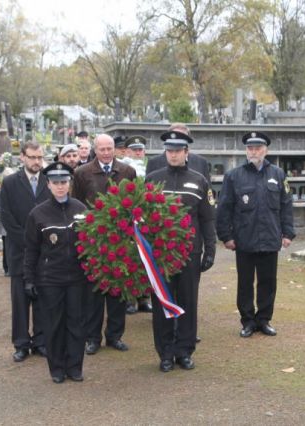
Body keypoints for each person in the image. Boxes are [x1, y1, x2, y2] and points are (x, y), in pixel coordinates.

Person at [145, 131, 216, 372]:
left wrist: (210, 250)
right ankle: (165, 353)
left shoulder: (199, 180)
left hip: (189, 251)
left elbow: (207, 218)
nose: (173, 154)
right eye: (169, 150)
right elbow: (142, 215)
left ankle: (184, 351)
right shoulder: (152, 179)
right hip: (160, 253)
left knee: (188, 301)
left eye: (178, 150)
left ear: (186, 152)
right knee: (162, 302)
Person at [216, 131, 295, 338]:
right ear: (246, 150)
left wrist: (288, 233)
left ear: (265, 150)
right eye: (250, 148)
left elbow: (286, 205)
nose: (253, 151)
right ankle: (248, 321)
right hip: (244, 239)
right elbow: (224, 208)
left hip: (270, 238)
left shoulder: (278, 174)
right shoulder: (233, 176)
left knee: (268, 282)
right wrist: (226, 236)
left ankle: (264, 319)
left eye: (257, 148)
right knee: (245, 283)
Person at [24, 162, 88, 383]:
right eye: (56, 183)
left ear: (69, 183)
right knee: (54, 324)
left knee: (76, 323)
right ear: (48, 185)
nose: (60, 187)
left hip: (77, 278)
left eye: (64, 182)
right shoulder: (38, 214)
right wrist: (29, 279)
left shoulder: (81, 209)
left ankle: (75, 367)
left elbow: (90, 243)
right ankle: (57, 368)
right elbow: (31, 250)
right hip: (50, 279)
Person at [73, 133, 136, 355]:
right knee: (93, 292)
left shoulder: (127, 171)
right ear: (95, 150)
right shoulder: (81, 173)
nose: (107, 153)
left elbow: (133, 201)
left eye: (110, 148)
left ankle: (115, 336)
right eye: (102, 149)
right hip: (93, 240)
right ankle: (92, 337)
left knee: (118, 291)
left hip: (120, 238)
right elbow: (77, 205)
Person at [0, 141, 50, 362]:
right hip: (19, 251)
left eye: (39, 157)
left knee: (41, 298)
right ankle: (21, 343)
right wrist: (28, 243)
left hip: (44, 253)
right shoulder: (10, 183)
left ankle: (40, 341)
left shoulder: (49, 182)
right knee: (20, 300)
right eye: (32, 157)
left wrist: (41, 244)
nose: (36, 162)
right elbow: (7, 218)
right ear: (22, 157)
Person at [121, 135, 153, 315]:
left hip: (146, 219)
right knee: (129, 259)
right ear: (126, 151)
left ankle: (144, 298)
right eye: (134, 150)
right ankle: (129, 299)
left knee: (145, 258)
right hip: (128, 219)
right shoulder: (122, 169)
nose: (138, 153)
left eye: (140, 149)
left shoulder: (150, 167)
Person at [145, 123, 211, 183]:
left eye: (182, 137)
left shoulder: (201, 162)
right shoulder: (154, 162)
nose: (176, 140)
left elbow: (207, 190)